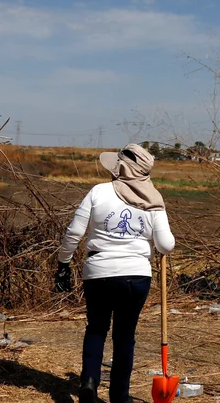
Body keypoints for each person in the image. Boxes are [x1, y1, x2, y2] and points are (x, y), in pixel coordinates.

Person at [55, 143, 175, 403]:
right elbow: (166, 245)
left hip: (98, 273)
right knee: (125, 335)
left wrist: (63, 263)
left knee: (97, 329)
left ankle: (88, 382)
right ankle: (120, 396)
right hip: (136, 276)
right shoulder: (153, 199)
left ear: (120, 167)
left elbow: (74, 232)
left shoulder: (99, 192)